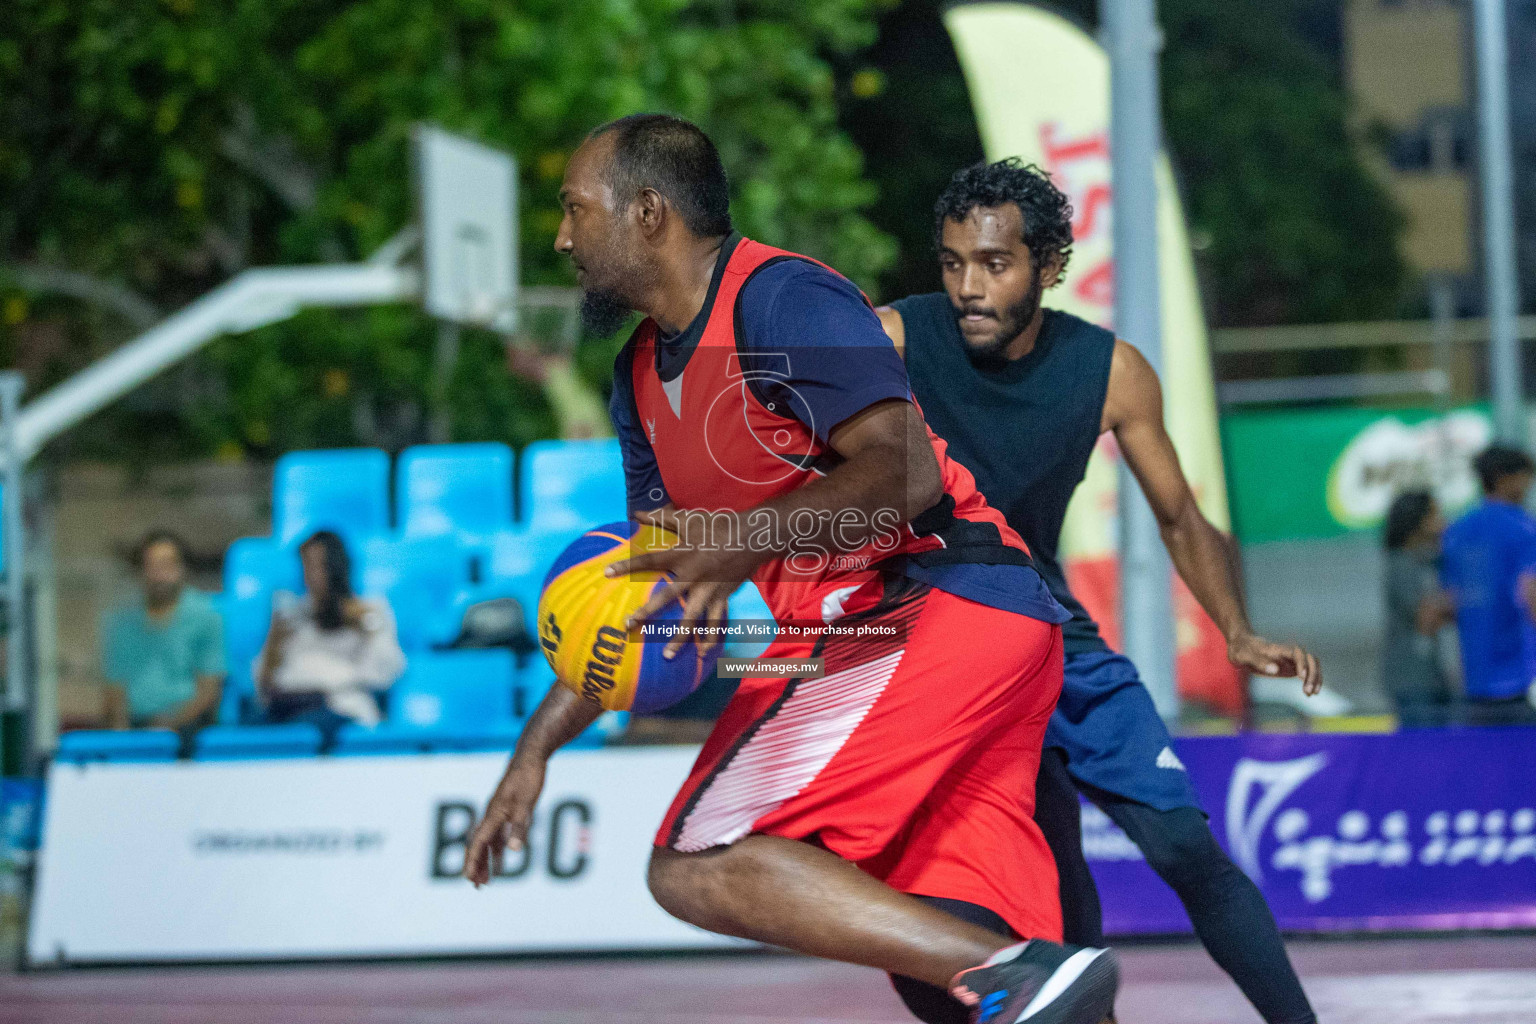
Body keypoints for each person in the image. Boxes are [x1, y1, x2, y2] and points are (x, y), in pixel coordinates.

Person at [464, 115, 1118, 1024]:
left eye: (575, 210)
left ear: (649, 212)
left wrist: (743, 539)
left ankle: (1014, 967)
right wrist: (537, 748)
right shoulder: (639, 378)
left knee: (698, 862)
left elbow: (905, 470)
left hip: (931, 608)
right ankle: (1023, 972)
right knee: (962, 980)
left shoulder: (784, 300)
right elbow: (655, 591)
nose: (563, 236)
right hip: (923, 636)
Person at [876, 158, 1320, 1024]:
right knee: (1036, 865)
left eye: (994, 264)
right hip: (931, 635)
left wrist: (1236, 631)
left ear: (1048, 267)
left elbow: (1184, 518)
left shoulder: (1111, 371)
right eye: (953, 261)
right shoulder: (889, 339)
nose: (969, 286)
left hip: (1047, 625)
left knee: (1184, 843)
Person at [253, 530, 405, 738]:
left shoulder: (369, 611)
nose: (312, 576)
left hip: (337, 707)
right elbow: (263, 685)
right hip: (286, 707)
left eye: (320, 566)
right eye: (307, 566)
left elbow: (386, 673)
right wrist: (273, 644)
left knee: (304, 731)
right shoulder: (290, 617)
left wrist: (367, 627)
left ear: (338, 567)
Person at [1440, 444, 1536, 726]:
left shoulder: (1457, 531)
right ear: (1505, 478)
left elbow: (1451, 599)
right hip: (1521, 677)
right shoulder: (1522, 527)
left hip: (1474, 677)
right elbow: (1530, 594)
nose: (1529, 485)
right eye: (1526, 477)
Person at [102, 531, 225, 741]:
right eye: (152, 565)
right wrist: (121, 740)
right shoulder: (122, 624)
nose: (160, 574)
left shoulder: (206, 617)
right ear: (141, 571)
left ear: (182, 568)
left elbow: (209, 690)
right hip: (135, 728)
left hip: (188, 729)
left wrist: (168, 727)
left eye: (167, 565)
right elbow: (115, 690)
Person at [1381, 490, 1456, 727]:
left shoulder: (1428, 561)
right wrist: (1458, 603)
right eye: (1435, 515)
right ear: (1417, 521)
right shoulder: (1402, 564)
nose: (1442, 522)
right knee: (1423, 749)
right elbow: (1427, 618)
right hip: (1412, 679)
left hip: (1432, 676)